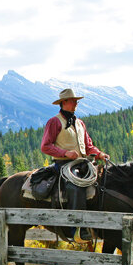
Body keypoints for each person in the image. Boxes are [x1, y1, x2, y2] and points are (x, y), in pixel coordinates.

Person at [40, 88, 109, 238]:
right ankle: (77, 229)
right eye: (73, 101)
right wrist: (65, 153)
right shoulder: (54, 122)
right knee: (76, 186)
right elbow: (45, 146)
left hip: (82, 163)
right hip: (64, 165)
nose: (76, 103)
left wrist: (99, 154)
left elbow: (88, 145)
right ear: (64, 102)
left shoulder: (80, 123)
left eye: (76, 101)